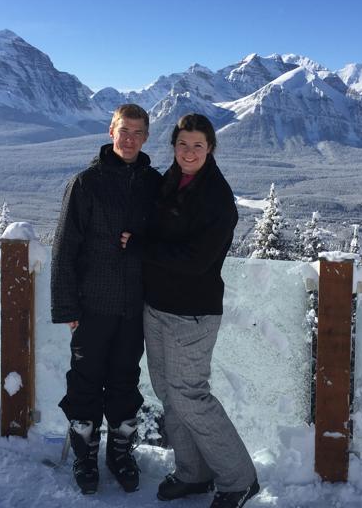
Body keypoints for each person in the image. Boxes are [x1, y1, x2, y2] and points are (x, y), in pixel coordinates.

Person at [121, 113, 260, 508]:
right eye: (183, 144)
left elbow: (197, 259)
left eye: (198, 145)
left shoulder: (216, 196)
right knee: (168, 393)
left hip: (192, 313)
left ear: (211, 148)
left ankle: (239, 479)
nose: (189, 152)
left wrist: (141, 248)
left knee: (190, 396)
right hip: (158, 306)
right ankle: (192, 473)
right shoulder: (171, 180)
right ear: (174, 146)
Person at [51, 103, 162, 495]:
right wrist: (67, 308)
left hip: (135, 306)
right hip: (93, 305)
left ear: (146, 137)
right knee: (85, 381)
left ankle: (119, 452)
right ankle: (85, 456)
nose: (130, 139)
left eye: (138, 132)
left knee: (124, 381)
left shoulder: (155, 184)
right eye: (123, 130)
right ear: (110, 131)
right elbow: (64, 248)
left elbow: (167, 238)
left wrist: (144, 245)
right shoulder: (86, 183)